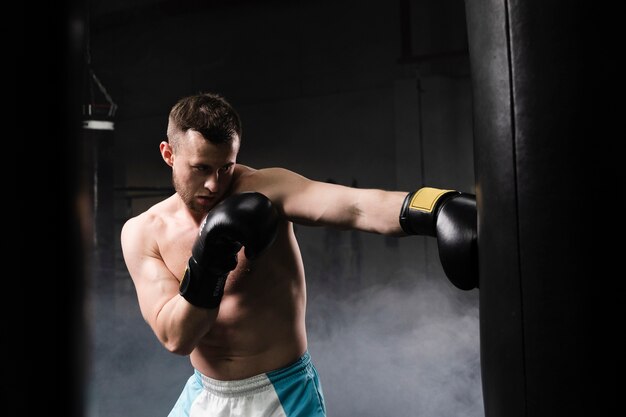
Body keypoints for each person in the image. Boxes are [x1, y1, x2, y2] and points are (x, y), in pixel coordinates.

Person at [120, 92, 476, 417]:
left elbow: (354, 208)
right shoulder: (143, 232)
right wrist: (209, 261)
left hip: (281, 393)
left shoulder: (264, 189)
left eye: (224, 167)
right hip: (205, 392)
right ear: (169, 154)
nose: (214, 184)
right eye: (200, 169)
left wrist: (435, 207)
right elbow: (175, 337)